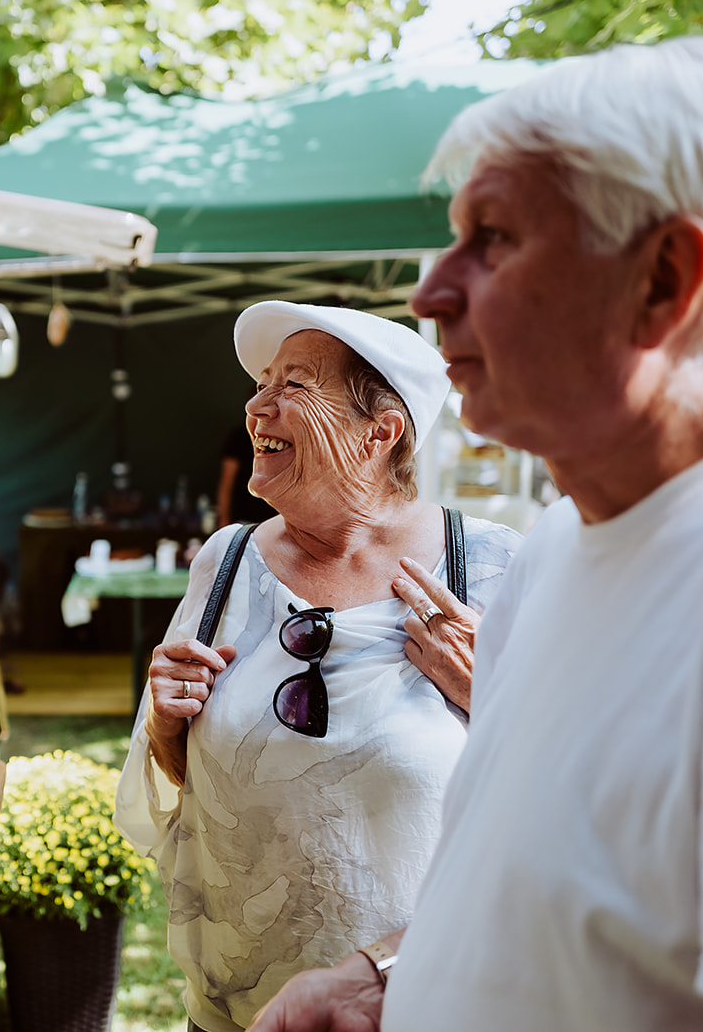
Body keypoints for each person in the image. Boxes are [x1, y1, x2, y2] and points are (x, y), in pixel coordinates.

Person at [251, 36, 703, 1032]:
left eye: (494, 239)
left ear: (663, 279)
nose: (431, 292)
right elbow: (527, 877)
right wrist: (380, 980)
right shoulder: (557, 544)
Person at [114, 300, 521, 1032]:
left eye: (294, 385)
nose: (255, 406)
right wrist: (169, 725)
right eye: (261, 384)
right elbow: (193, 780)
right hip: (235, 1013)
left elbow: (571, 799)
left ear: (380, 431)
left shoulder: (490, 567)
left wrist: (493, 695)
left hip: (415, 1007)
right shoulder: (226, 562)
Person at [216, 421, 275, 527]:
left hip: (276, 521)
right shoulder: (240, 436)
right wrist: (224, 521)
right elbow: (226, 484)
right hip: (244, 520)